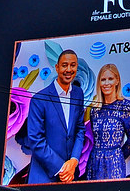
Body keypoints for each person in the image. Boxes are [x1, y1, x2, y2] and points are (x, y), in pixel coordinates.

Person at [26, 49, 85, 184]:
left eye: (73, 65)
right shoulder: (39, 99)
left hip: (71, 176)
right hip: (44, 177)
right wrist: (62, 168)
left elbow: (80, 130)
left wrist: (74, 161)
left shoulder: (78, 94)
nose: (69, 69)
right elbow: (35, 140)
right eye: (64, 65)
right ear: (57, 68)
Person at [86, 64, 130, 180]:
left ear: (117, 81)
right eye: (103, 80)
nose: (106, 83)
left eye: (110, 79)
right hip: (95, 162)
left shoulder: (125, 106)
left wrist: (118, 155)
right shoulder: (95, 109)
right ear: (99, 83)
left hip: (115, 164)